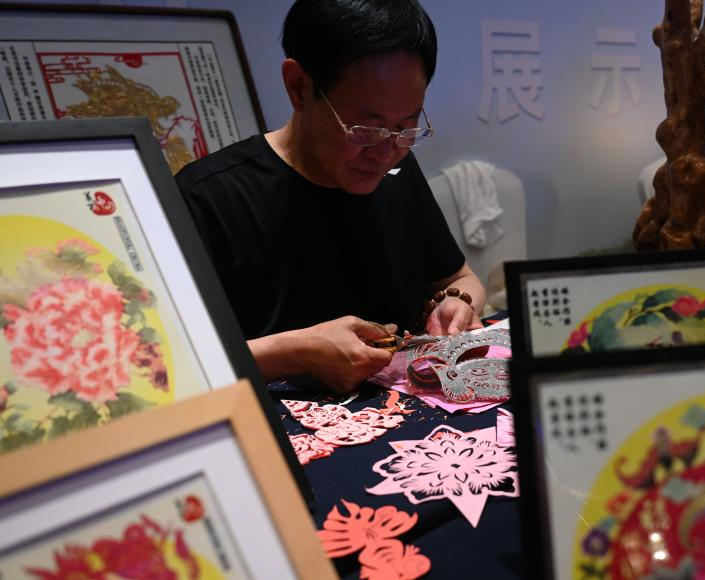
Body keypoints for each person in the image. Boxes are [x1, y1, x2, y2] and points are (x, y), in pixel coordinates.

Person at [176, 0, 485, 393]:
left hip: (407, 415)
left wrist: (459, 305)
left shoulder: (397, 170)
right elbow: (165, 365)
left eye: (406, 127)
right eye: (365, 129)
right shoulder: (208, 197)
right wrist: (296, 352)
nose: (385, 152)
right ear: (299, 87)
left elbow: (460, 278)